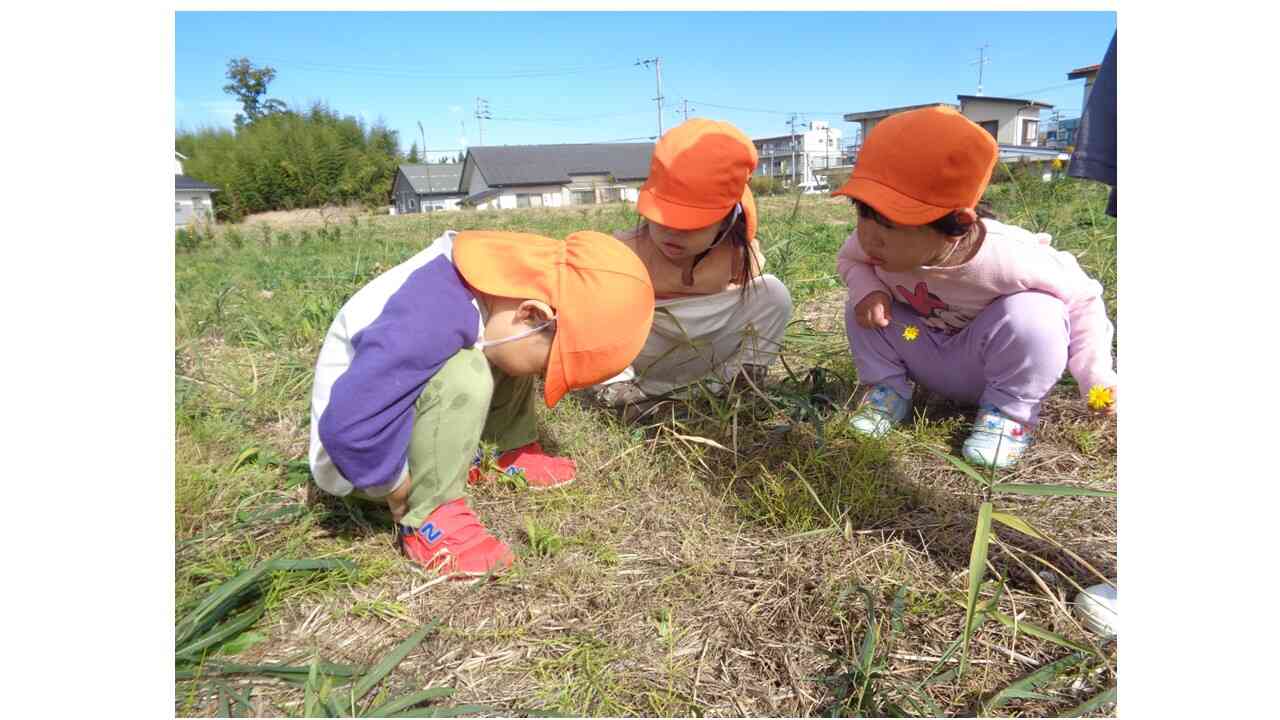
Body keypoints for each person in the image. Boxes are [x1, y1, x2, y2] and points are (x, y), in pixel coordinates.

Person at [309, 229, 654, 579]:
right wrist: (392, 486)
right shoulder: (428, 315)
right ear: (533, 313)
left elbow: (509, 343)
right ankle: (431, 515)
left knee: (506, 349)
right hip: (358, 457)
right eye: (546, 369)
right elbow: (347, 429)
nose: (541, 378)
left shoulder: (493, 290)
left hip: (375, 423)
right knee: (469, 371)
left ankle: (506, 449)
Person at [833, 106, 1118, 469]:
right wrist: (868, 290)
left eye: (889, 225)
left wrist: (1095, 375)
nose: (868, 238)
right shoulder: (869, 246)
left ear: (958, 223)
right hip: (919, 343)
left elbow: (1084, 302)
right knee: (862, 305)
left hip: (985, 362)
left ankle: (1008, 415)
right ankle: (886, 392)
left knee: (1036, 314)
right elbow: (850, 261)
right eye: (862, 213)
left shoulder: (1010, 256)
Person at [592, 118, 794, 420]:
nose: (673, 233)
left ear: (728, 219)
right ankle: (620, 393)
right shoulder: (626, 250)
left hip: (702, 355)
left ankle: (739, 382)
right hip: (644, 350)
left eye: (691, 223)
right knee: (592, 304)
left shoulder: (739, 254)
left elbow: (751, 293)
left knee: (773, 293)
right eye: (662, 217)